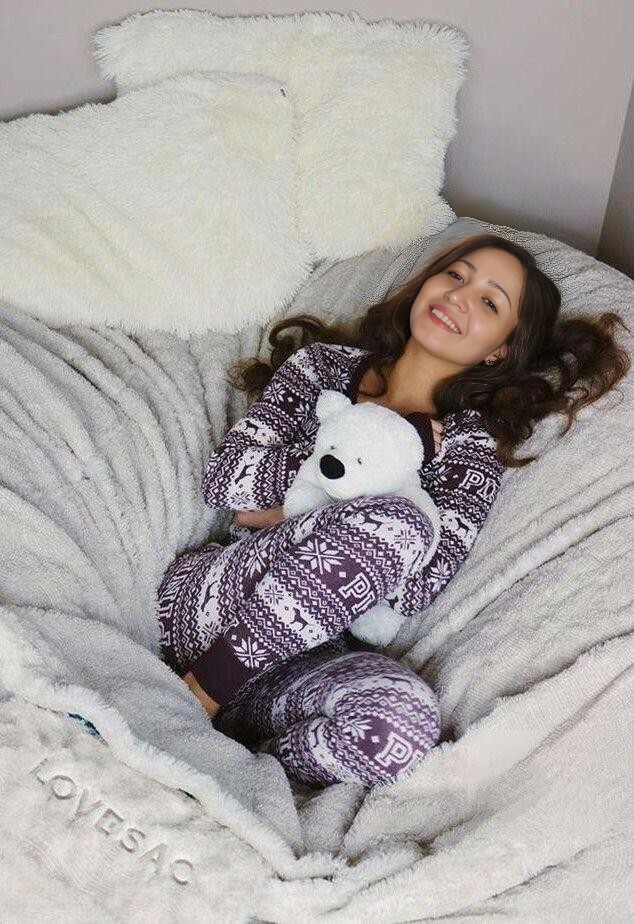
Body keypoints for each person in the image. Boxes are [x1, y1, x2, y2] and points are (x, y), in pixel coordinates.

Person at [156, 232, 630, 789]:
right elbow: (228, 482)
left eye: (488, 301)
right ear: (425, 285)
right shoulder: (321, 369)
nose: (459, 297)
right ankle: (192, 702)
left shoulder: (469, 451)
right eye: (455, 276)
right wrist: (384, 451)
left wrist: (300, 503)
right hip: (210, 606)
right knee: (401, 524)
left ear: (499, 350)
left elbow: (411, 590)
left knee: (403, 724)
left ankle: (241, 756)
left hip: (296, 667)